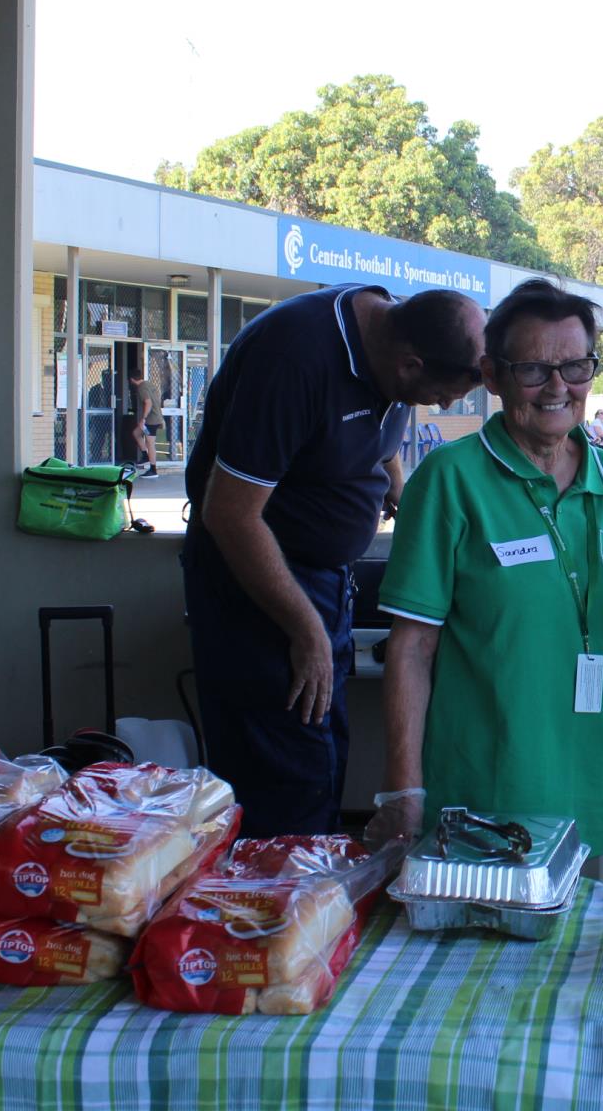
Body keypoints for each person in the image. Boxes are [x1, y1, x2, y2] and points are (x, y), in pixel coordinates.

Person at [368, 279, 603, 880]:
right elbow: (411, 648)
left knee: (582, 968)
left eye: (576, 366)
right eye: (534, 369)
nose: (558, 386)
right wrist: (404, 791)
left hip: (597, 798)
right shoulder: (449, 480)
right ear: (492, 375)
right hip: (486, 807)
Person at [181, 283, 485, 838]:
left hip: (322, 581)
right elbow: (229, 514)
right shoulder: (294, 359)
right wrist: (307, 630)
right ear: (410, 362)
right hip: (257, 590)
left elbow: (379, 424)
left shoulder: (391, 336)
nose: (442, 407)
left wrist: (399, 488)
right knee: (287, 776)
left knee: (322, 755)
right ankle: (277, 907)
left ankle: (309, 895)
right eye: (440, 395)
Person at [130, 366, 163, 476]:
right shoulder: (149, 384)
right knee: (136, 433)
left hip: (151, 420)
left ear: (132, 379)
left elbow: (148, 402)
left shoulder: (141, 388)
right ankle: (145, 456)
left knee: (150, 443)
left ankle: (153, 470)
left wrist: (143, 419)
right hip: (155, 417)